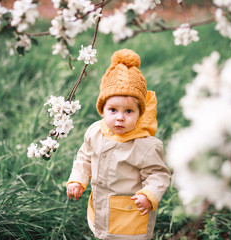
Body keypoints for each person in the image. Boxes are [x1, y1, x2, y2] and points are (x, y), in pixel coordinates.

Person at [66, 49, 171, 240]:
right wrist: (77, 179)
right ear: (102, 110)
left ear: (140, 113)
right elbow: (84, 157)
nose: (120, 118)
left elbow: (158, 174)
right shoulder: (95, 132)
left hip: (131, 214)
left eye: (129, 111)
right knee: (102, 233)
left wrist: (149, 195)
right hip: (101, 208)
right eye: (113, 110)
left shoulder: (145, 145)